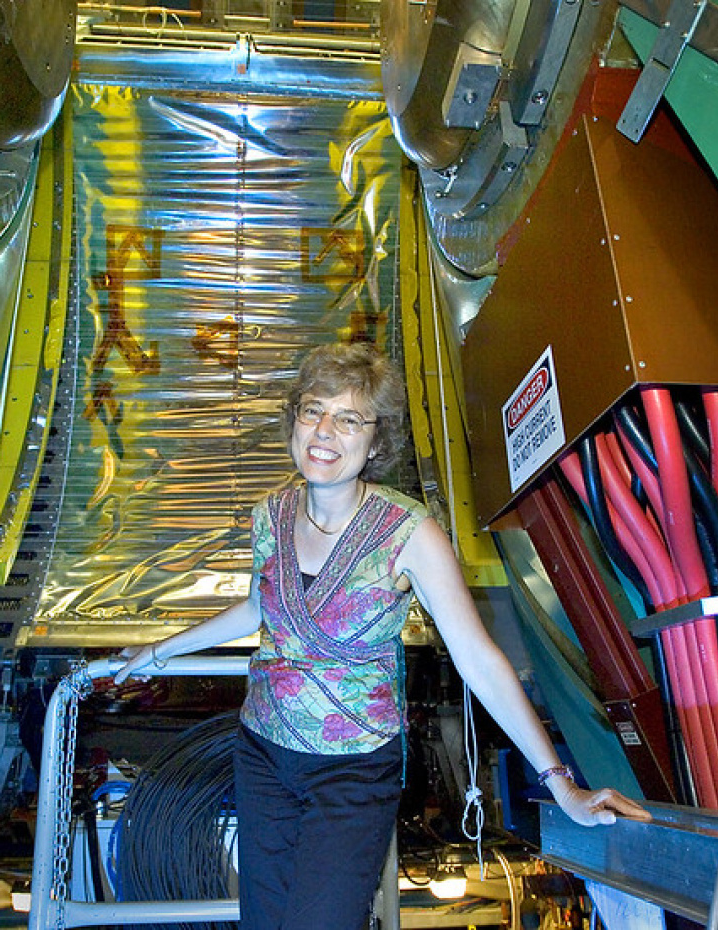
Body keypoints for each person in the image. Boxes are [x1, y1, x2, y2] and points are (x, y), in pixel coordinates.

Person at [114, 342, 649, 929]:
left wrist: (560, 784)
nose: (324, 432)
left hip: (352, 770)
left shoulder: (409, 532)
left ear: (376, 440)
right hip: (262, 754)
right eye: (313, 410)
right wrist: (158, 651)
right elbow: (256, 611)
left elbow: (477, 658)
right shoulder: (270, 513)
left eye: (348, 419)